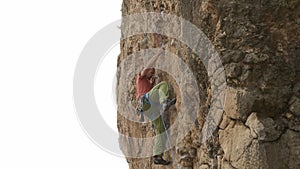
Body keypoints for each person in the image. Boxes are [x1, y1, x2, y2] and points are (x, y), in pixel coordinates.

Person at [136, 48, 176, 165]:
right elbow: (148, 66)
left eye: (152, 72)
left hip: (149, 109)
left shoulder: (148, 83)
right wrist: (158, 53)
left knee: (161, 131)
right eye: (151, 71)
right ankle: (165, 103)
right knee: (163, 85)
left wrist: (153, 83)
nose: (152, 72)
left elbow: (152, 91)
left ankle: (157, 155)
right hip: (147, 101)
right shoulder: (141, 77)